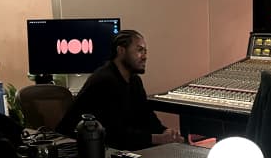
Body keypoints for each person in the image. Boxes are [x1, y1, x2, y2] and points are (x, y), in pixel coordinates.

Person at [56, 29, 184, 150]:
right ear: (121, 51)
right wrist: (158, 139)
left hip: (110, 144)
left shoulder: (134, 80)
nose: (145, 56)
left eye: (145, 51)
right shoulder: (105, 80)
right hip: (79, 146)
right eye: (139, 50)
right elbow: (114, 133)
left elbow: (146, 115)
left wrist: (165, 131)